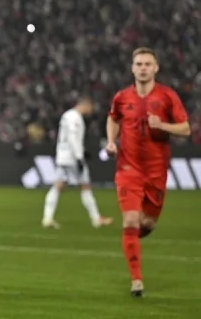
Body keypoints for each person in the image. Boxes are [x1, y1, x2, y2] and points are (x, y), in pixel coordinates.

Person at [105, 47, 190, 297]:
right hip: (128, 168)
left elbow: (185, 129)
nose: (143, 68)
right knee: (131, 220)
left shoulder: (167, 96)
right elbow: (113, 118)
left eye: (147, 64)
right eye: (139, 64)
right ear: (132, 68)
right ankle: (137, 280)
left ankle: (130, 239)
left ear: (156, 68)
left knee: (148, 224)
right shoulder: (121, 97)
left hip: (156, 171)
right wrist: (111, 141)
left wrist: (161, 125)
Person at [41, 96, 113, 229]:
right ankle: (96, 219)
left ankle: (47, 218)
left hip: (63, 156)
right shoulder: (75, 117)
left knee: (58, 185)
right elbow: (73, 137)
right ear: (86, 105)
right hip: (72, 158)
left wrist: (82, 151)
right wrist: (79, 157)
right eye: (91, 107)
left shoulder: (67, 115)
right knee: (85, 186)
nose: (91, 111)